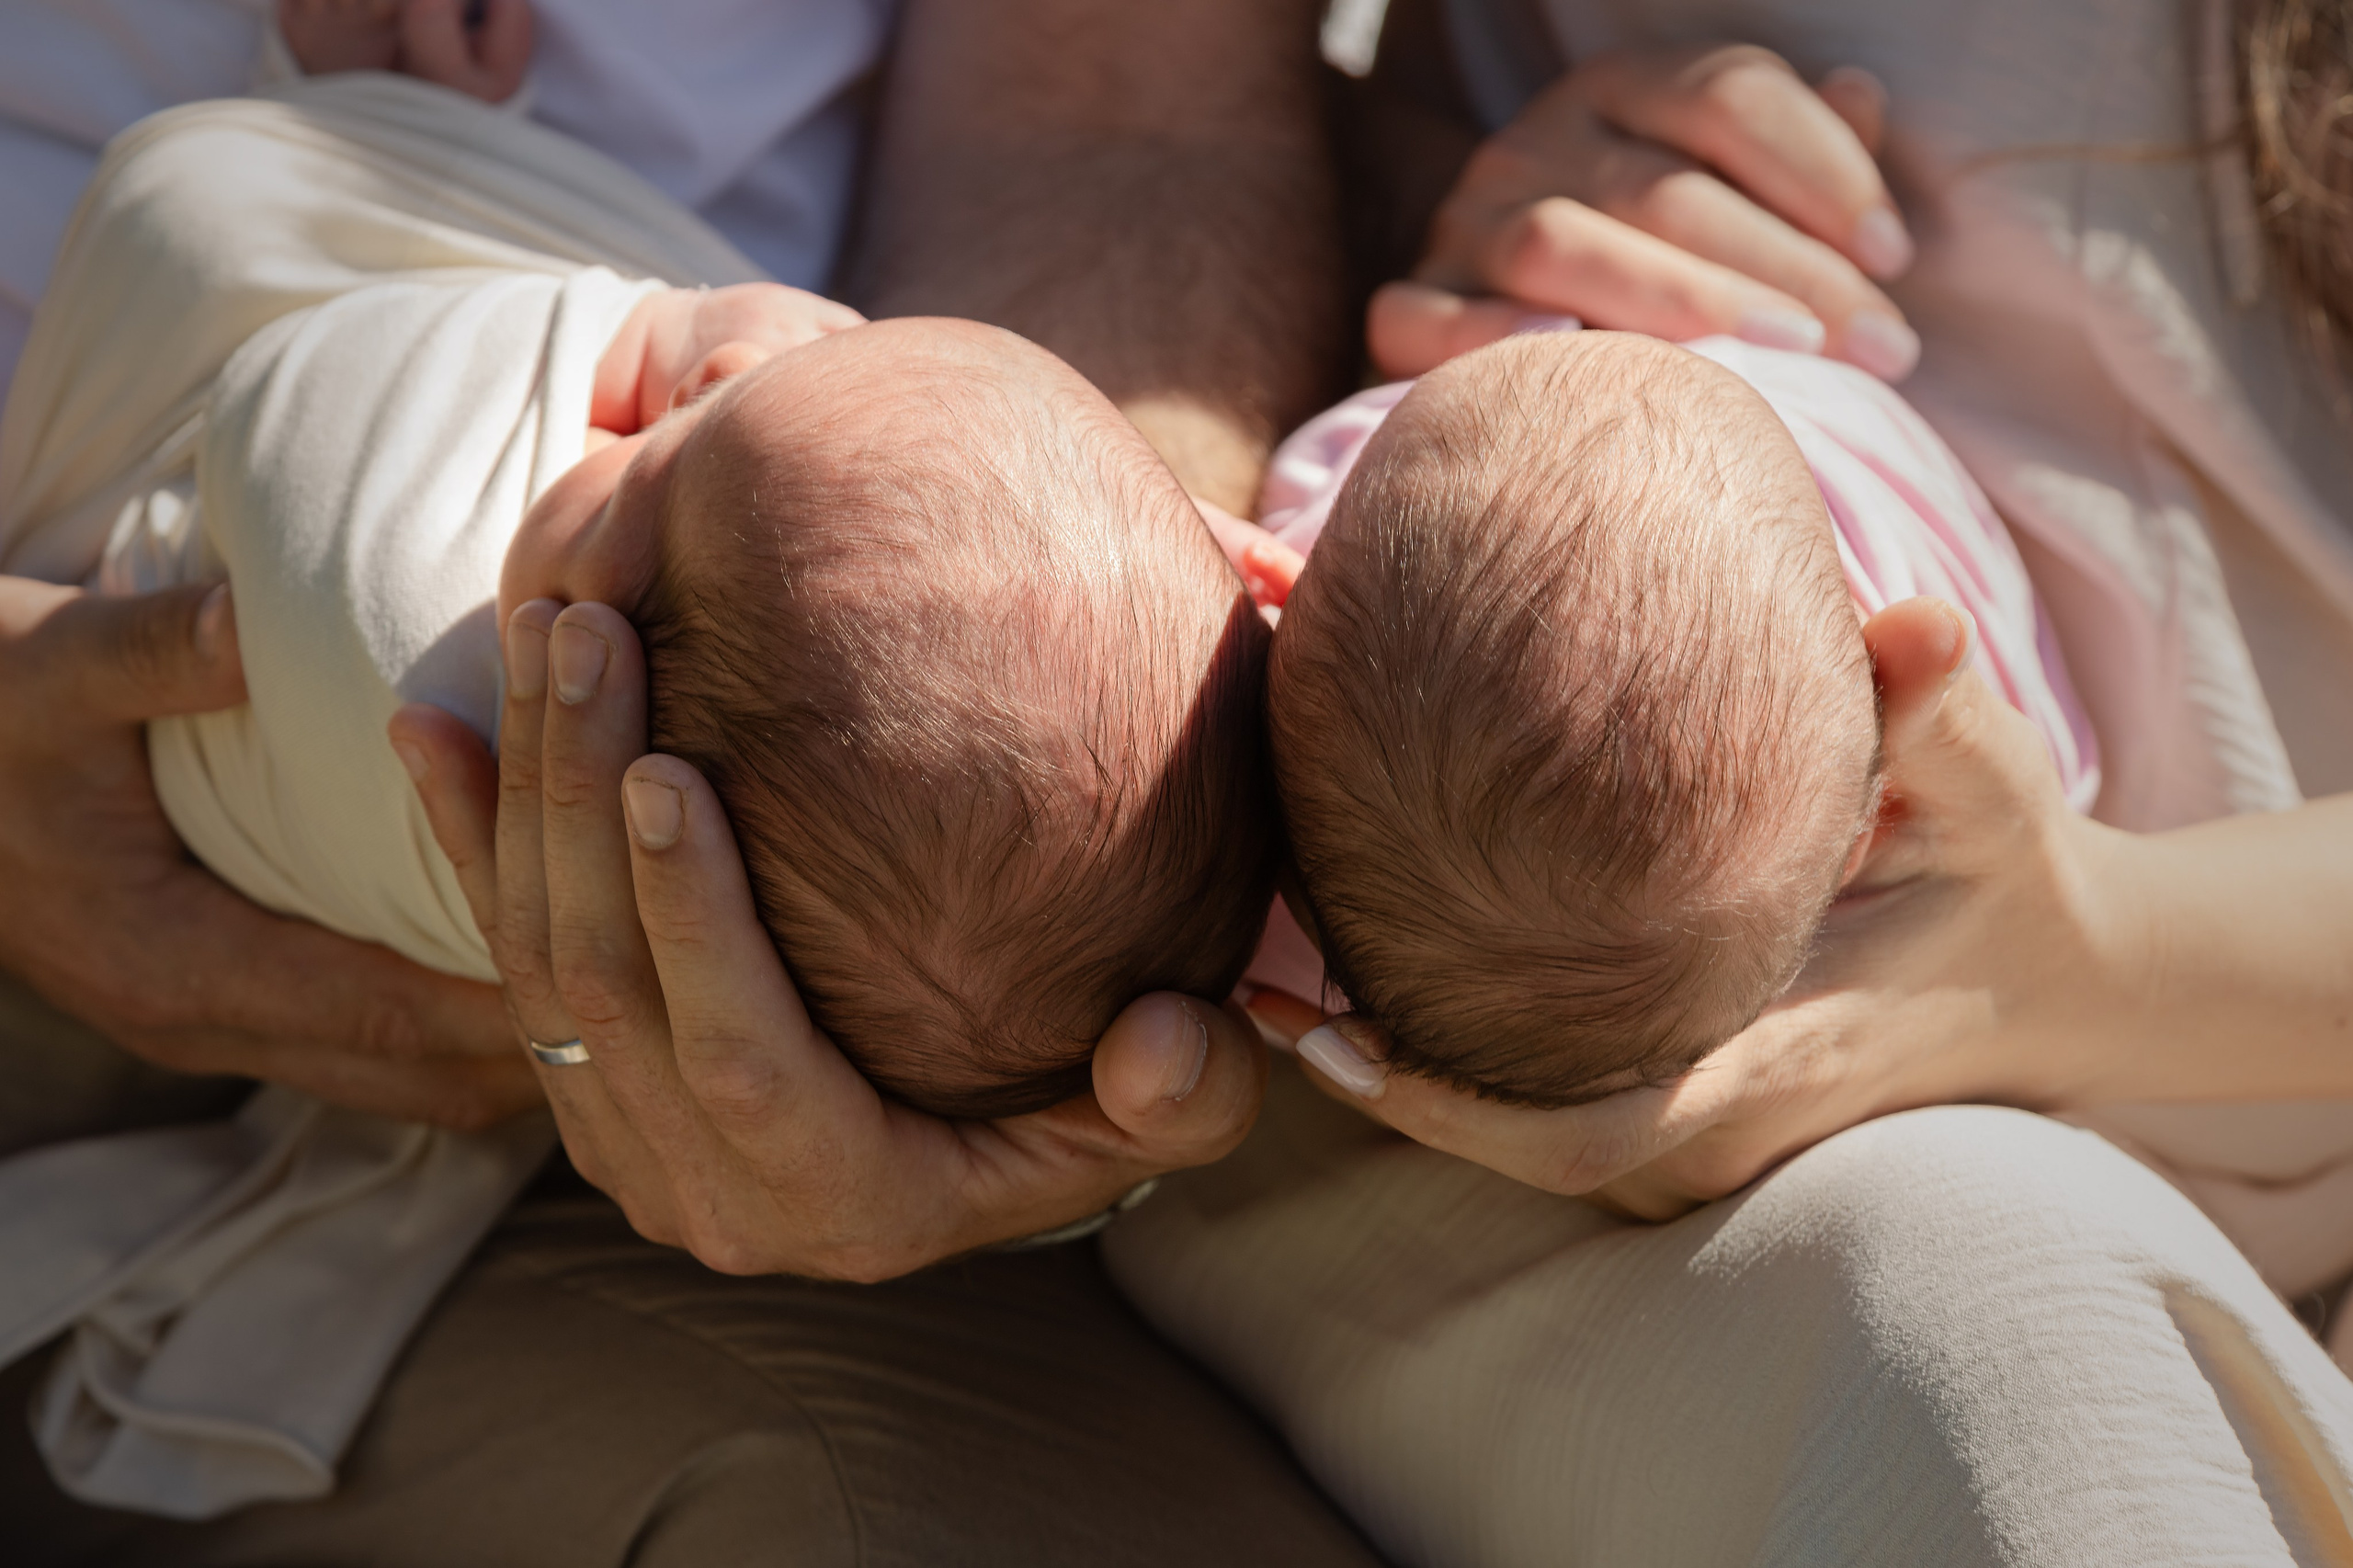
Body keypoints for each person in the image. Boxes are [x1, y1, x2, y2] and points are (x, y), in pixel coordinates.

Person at [382, 1, 2353, 1562]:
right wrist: (1466, 182)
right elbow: (1219, 113)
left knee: (2011, 1347)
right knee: (1976, 1341)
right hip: (1450, 966)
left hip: (2202, 1043)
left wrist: (2089, 940)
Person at [0, 2, 1376, 1561]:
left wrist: (430, 187)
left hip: (587, 1090)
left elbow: (240, 295)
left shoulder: (444, 595)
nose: (689, 385)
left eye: (661, 441)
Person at [1258, 324, 2093, 1107]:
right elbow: (2064, 782)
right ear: (1872, 829)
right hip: (1834, 428)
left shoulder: (1292, 925)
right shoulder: (1919, 699)